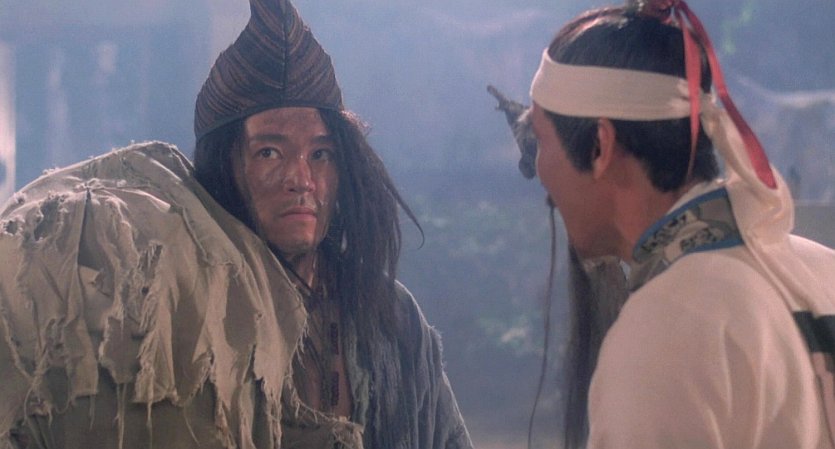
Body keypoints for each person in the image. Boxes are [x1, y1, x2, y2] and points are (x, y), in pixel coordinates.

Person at [0, 0, 473, 448]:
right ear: (224, 169)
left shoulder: (389, 315)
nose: (301, 179)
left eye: (320, 154)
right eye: (269, 152)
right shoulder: (186, 314)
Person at [497, 0, 835, 448]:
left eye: (542, 140)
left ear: (599, 146)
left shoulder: (664, 331)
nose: (539, 173)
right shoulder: (820, 268)